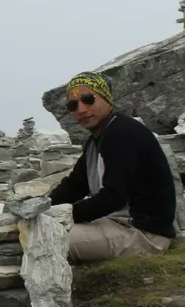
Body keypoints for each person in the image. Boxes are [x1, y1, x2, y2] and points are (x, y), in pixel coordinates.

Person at [48, 71, 178, 263]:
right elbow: (75, 185)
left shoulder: (122, 133)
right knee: (42, 229)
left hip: (143, 233)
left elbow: (113, 197)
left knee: (46, 239)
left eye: (88, 99)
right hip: (117, 223)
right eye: (72, 104)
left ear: (106, 99)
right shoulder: (96, 140)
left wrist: (66, 214)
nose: (81, 109)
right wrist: (43, 205)